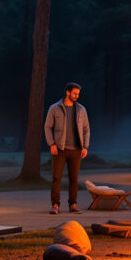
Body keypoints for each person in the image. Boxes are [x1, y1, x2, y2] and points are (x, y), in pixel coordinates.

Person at [44, 82, 90, 214]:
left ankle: (73, 205)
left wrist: (85, 146)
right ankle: (55, 205)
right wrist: (51, 144)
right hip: (59, 149)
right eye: (75, 93)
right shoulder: (54, 108)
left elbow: (86, 129)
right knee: (56, 178)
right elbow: (48, 127)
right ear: (67, 92)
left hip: (76, 150)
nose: (77, 96)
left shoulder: (81, 109)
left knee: (74, 179)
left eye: (78, 94)